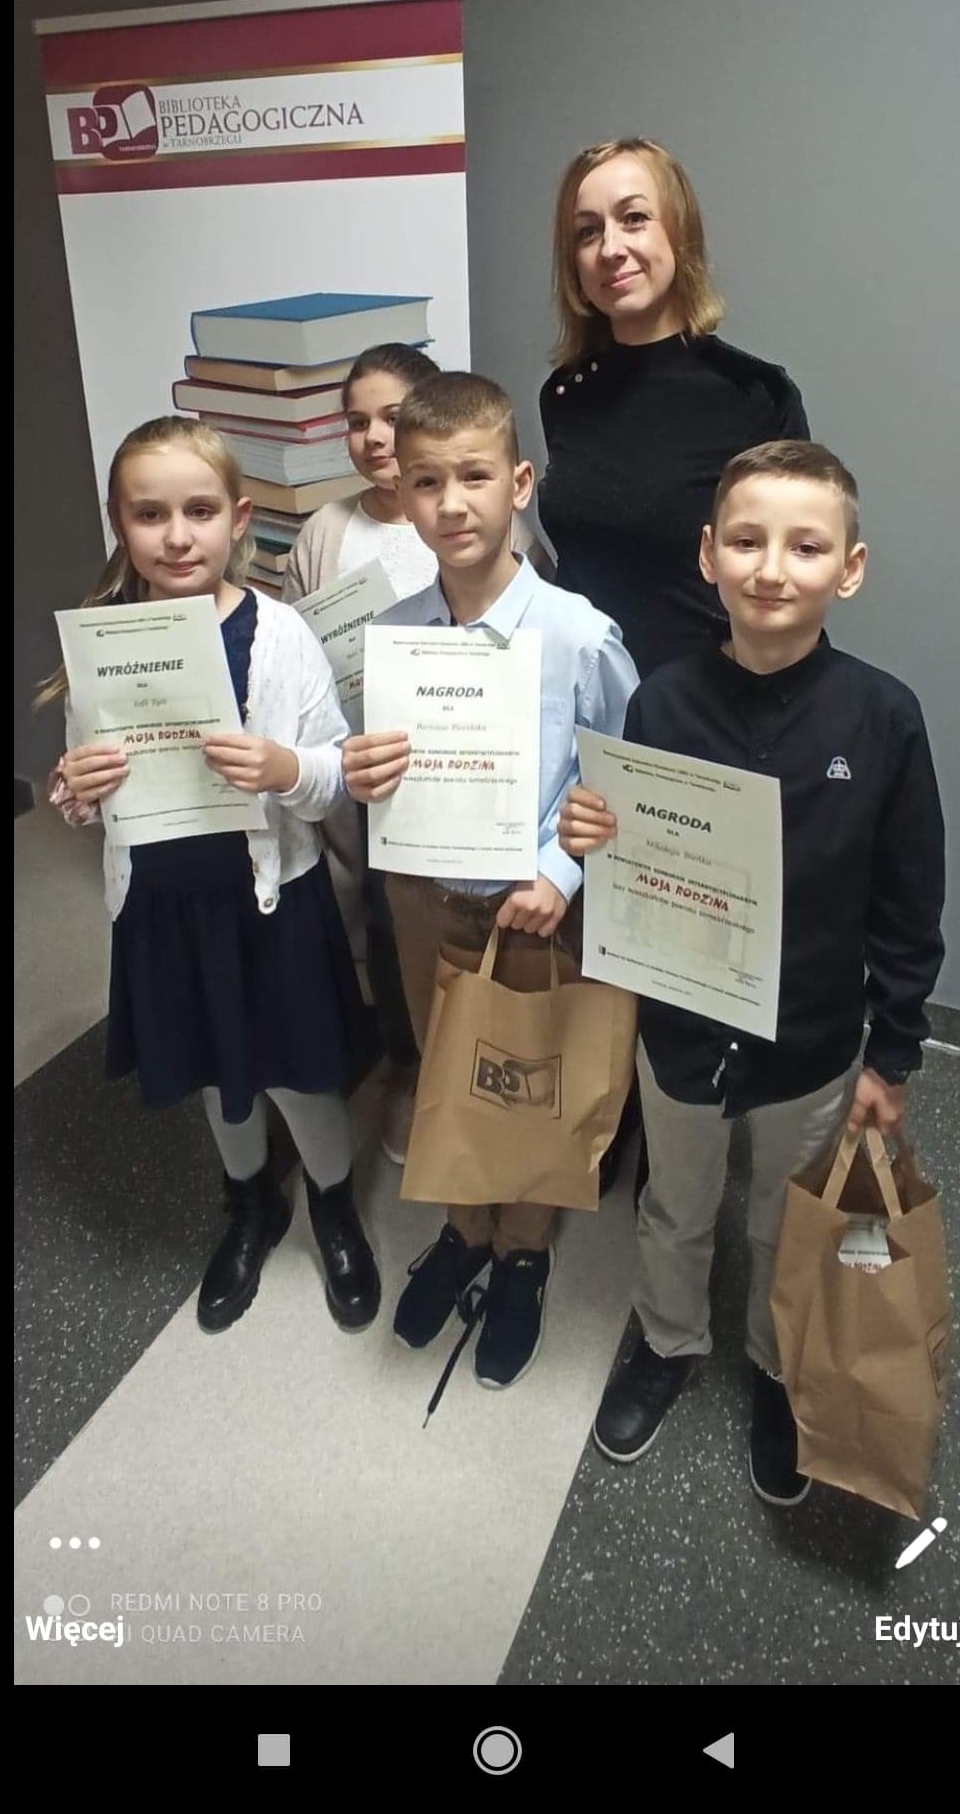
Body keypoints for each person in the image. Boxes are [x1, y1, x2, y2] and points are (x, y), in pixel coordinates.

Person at [559, 439, 945, 1505]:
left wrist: (893, 1052)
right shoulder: (662, 703)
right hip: (682, 1023)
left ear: (849, 569)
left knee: (787, 1214)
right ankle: (667, 1338)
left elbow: (908, 899)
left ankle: (777, 1364)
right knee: (675, 1203)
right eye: (746, 541)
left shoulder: (884, 717)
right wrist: (593, 835)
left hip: (811, 1035)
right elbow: (635, 861)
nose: (772, 568)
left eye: (805, 546)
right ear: (708, 556)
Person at [38, 416, 380, 1339]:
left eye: (199, 511)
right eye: (150, 514)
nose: (177, 536)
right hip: (163, 904)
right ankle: (249, 1201)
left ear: (240, 518)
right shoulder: (105, 642)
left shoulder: (280, 635)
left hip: (269, 897)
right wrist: (75, 790)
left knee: (299, 1075)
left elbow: (334, 773)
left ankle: (333, 1203)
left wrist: (283, 767)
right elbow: (85, 794)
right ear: (120, 522)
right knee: (214, 1067)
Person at [343, 373, 639, 1390]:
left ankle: (523, 1251)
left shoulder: (580, 634)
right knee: (449, 1065)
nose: (451, 503)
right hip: (424, 898)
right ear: (401, 492)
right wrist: (362, 771)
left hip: (534, 908)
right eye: (426, 482)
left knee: (533, 1078)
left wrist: (560, 868)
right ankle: (466, 1228)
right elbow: (378, 769)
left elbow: (620, 777)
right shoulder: (395, 637)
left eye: (474, 477)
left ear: (519, 484)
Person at [537, 136, 812, 1196]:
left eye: (633, 217)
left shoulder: (752, 393)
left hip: (708, 716)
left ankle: (689, 1138)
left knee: (698, 938)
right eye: (587, 230)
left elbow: (786, 566)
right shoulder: (566, 394)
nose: (611, 247)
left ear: (678, 229)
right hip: (595, 713)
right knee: (609, 923)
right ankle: (623, 1110)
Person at [283, 343, 548, 1166]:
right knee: (390, 923)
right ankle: (411, 1064)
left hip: (478, 780)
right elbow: (296, 649)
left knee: (484, 936)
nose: (372, 437)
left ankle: (497, 1081)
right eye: (355, 420)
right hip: (373, 775)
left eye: (391, 418)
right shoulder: (326, 531)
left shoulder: (490, 527)